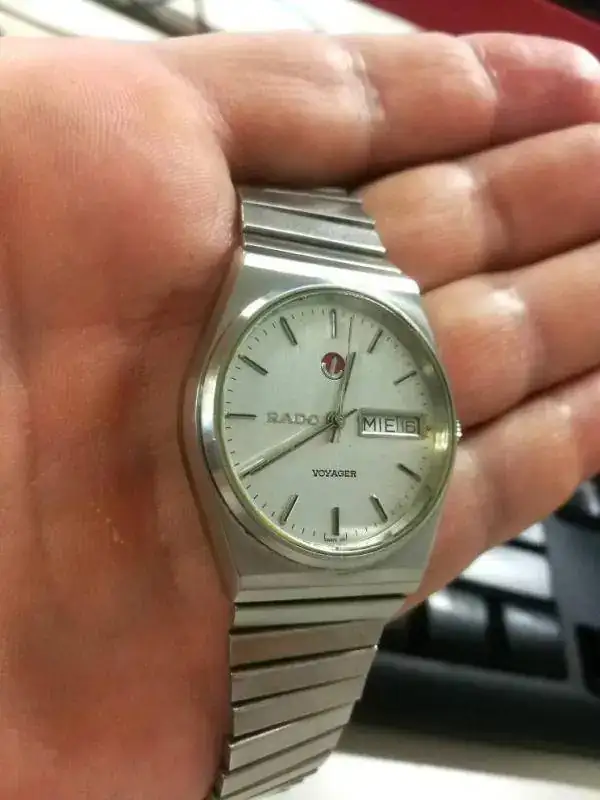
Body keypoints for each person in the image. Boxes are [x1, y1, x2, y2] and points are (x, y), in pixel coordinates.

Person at [2, 28, 600, 799]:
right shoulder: (226, 355)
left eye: (339, 422)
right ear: (203, 405)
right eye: (325, 423)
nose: (333, 427)